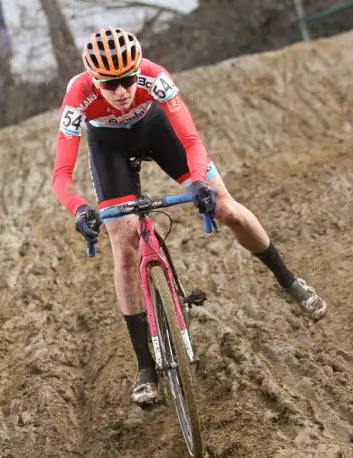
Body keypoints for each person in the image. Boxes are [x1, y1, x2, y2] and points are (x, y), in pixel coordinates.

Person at [51, 27, 327, 407]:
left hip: (156, 130)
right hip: (108, 149)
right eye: (110, 85)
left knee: (226, 206)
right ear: (94, 80)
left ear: (138, 70)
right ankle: (145, 366)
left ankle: (290, 280)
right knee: (124, 242)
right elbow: (61, 176)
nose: (122, 92)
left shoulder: (155, 76)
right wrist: (79, 209)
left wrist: (198, 183)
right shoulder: (77, 95)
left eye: (128, 80)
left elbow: (192, 141)